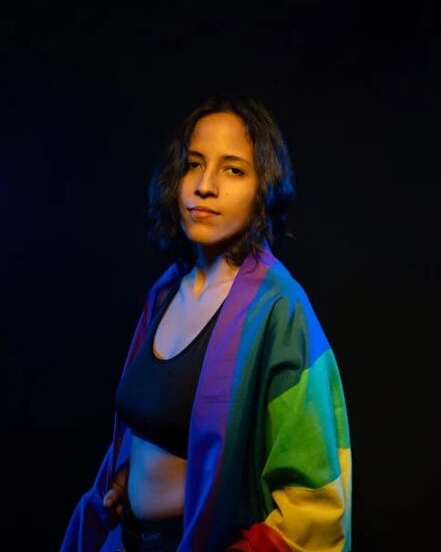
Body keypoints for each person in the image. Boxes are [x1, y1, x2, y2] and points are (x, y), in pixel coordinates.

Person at [61, 95, 352, 552]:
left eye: (233, 170)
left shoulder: (279, 310)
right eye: (194, 165)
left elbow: (314, 498)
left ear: (264, 187)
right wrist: (124, 479)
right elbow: (156, 425)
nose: (205, 186)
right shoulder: (166, 291)